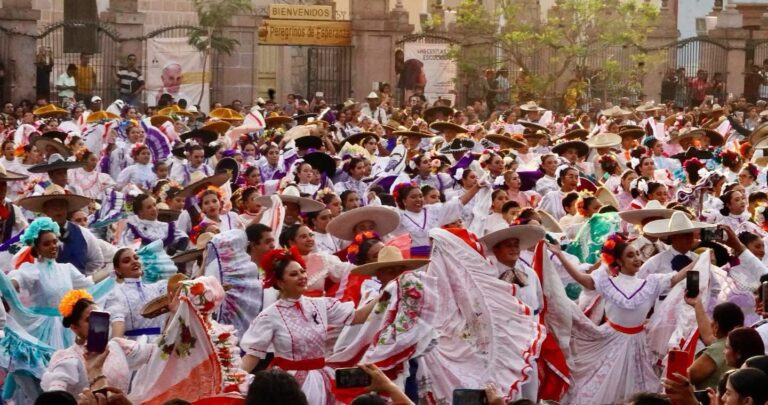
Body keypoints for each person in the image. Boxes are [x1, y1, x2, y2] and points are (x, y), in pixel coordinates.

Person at [554, 233, 696, 404]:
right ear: (619, 262)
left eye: (637, 254)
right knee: (602, 383)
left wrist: (699, 261)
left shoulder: (650, 283)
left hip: (638, 342)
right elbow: (582, 279)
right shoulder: (607, 282)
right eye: (630, 255)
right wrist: (560, 255)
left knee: (638, 388)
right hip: (610, 339)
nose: (637, 258)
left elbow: (676, 278)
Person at [240, 248, 382, 404]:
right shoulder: (270, 316)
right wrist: (235, 379)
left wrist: (385, 293)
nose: (302, 277)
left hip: (322, 378)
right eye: (294, 274)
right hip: (289, 384)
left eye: (302, 271)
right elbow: (253, 354)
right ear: (280, 283)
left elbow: (358, 316)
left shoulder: (320, 305)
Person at [684, 299, 745, 390]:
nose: (710, 323)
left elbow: (688, 377)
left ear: (716, 325)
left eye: (713, 320)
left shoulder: (717, 349)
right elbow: (708, 335)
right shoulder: (739, 344)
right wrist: (697, 304)